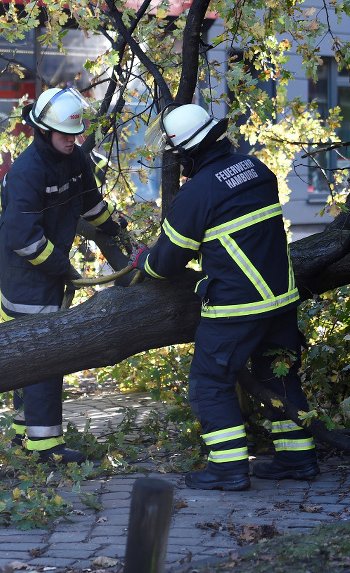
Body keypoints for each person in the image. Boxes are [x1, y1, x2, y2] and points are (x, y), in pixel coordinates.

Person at [132, 103, 319, 490]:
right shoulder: (257, 170)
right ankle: (299, 459)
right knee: (278, 374)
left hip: (237, 306)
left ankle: (228, 468)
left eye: (179, 155)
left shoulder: (197, 193)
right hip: (281, 299)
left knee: (210, 380)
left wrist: (141, 260)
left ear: (188, 152)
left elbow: (165, 264)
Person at [0, 87, 125, 464]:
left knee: (28, 360)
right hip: (27, 279)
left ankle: (23, 434)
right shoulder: (25, 173)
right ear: (42, 130)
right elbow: (24, 239)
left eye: (76, 134)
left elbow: (90, 203)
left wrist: (115, 230)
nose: (73, 140)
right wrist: (67, 270)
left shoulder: (75, 160)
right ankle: (46, 448)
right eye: (65, 135)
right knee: (44, 362)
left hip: (50, 273)